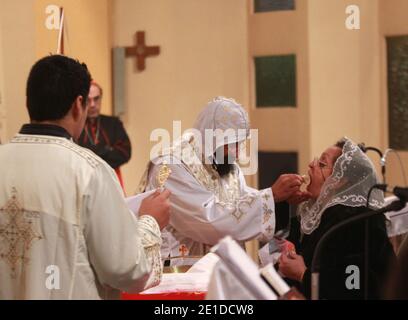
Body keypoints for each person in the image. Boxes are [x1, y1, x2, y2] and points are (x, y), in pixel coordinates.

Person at [0, 55, 170, 300]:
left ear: (29, 101)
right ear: (78, 105)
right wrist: (150, 222)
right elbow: (126, 270)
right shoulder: (90, 172)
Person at [140, 97, 310, 263]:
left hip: (219, 275)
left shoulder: (226, 166)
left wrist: (279, 199)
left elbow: (241, 202)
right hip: (179, 273)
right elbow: (209, 221)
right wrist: (271, 196)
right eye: (232, 144)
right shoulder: (171, 166)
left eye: (240, 143)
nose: (237, 153)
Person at [278, 138, 396, 299]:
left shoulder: (360, 223)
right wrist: (283, 203)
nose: (311, 165)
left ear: (340, 180)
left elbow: (354, 286)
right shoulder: (312, 216)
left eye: (322, 164)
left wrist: (303, 275)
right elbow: (274, 249)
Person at [77, 81, 131, 190]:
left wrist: (91, 152)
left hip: (111, 181)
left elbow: (125, 152)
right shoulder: (76, 124)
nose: (92, 105)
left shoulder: (113, 123)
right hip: (84, 182)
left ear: (101, 98)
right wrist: (107, 151)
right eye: (88, 100)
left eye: (96, 99)